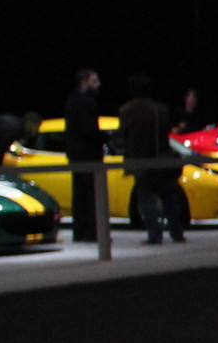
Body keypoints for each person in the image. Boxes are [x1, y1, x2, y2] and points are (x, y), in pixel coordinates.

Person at [116, 74, 191, 244]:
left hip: (140, 161)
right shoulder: (161, 109)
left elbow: (124, 135)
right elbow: (165, 133)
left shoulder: (126, 110)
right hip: (161, 159)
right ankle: (176, 232)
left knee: (146, 199)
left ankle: (154, 234)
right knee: (167, 197)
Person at [62, 67, 103, 241]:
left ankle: (79, 231)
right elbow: (88, 129)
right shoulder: (87, 101)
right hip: (88, 155)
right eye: (94, 81)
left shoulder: (71, 100)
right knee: (91, 195)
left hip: (76, 154)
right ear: (84, 82)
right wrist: (103, 137)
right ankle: (92, 233)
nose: (98, 84)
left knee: (79, 194)